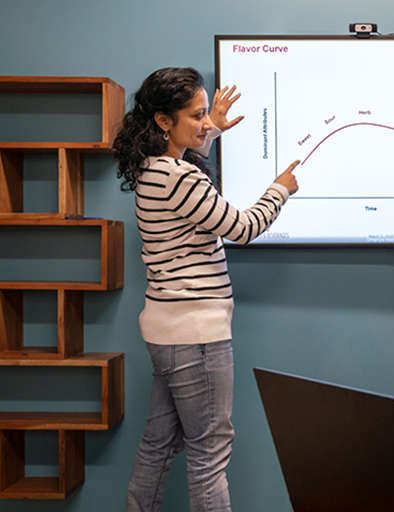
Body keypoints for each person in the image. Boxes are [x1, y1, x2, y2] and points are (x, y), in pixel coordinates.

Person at [112, 67, 300, 512]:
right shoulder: (179, 178)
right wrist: (280, 189)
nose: (205, 122)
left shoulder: (153, 170)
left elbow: (188, 174)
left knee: (158, 445)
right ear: (163, 120)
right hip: (196, 336)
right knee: (208, 455)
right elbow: (242, 226)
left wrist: (208, 128)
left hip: (167, 331)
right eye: (196, 115)